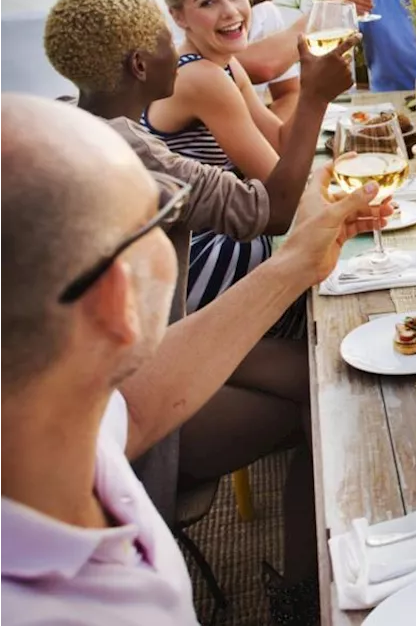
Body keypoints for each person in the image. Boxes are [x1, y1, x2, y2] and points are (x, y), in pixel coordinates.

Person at [0, 94, 387, 625]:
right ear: (116, 298)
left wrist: (296, 264)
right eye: (158, 216)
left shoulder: (55, 425)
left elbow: (134, 409)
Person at [43, 0, 357, 614]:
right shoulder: (127, 149)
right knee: (330, 402)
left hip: (117, 371)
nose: (177, 49)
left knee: (322, 378)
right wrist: (316, 96)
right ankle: (304, 599)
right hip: (129, 411)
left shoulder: (67, 123)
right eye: (167, 39)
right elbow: (268, 210)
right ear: (139, 64)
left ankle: (305, 586)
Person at [143, 0, 314, 314]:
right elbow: (278, 190)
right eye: (208, 2)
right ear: (178, 16)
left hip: (216, 240)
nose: (230, 11)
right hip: (194, 260)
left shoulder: (223, 64)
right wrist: (315, 95)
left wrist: (315, 89)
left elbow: (281, 141)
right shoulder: (200, 77)